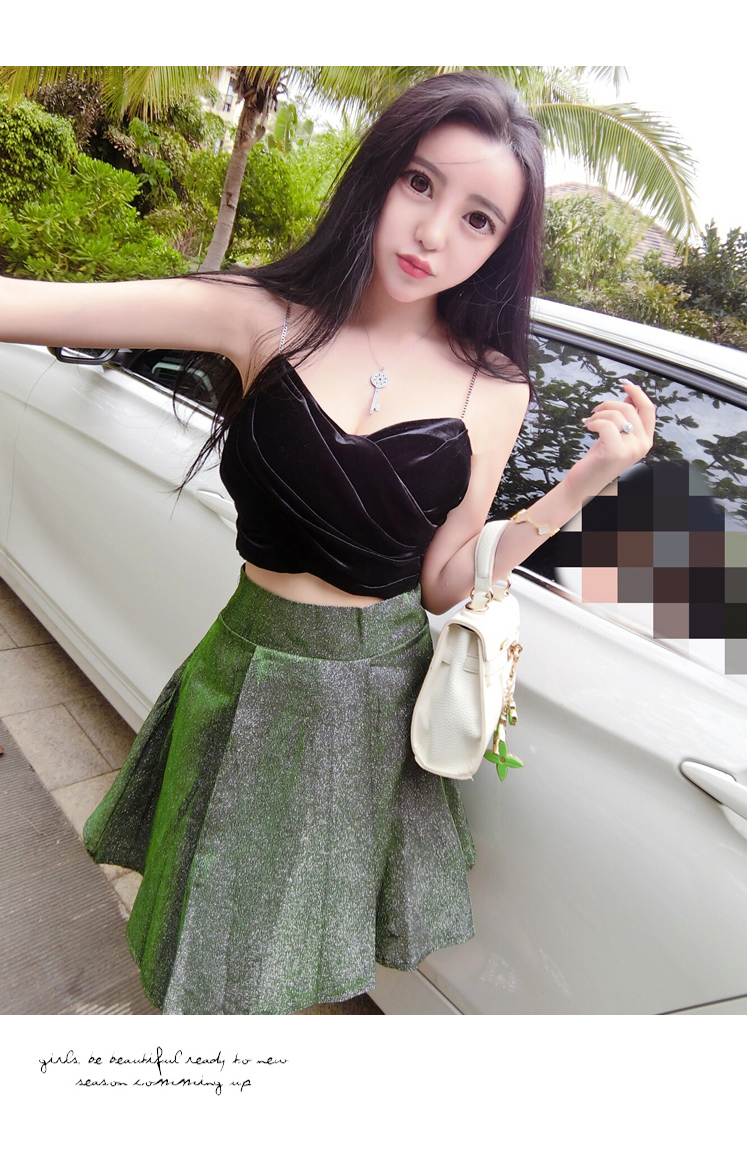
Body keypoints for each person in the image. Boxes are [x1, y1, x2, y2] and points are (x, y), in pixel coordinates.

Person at [0, 72, 654, 1014]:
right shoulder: (258, 314)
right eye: (420, 184)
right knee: (202, 929)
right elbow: (32, 307)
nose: (434, 234)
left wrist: (582, 485)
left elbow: (444, 581)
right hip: (250, 666)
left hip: (375, 699)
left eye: (478, 219)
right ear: (378, 176)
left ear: (502, 247)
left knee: (294, 948)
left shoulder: (496, 386)